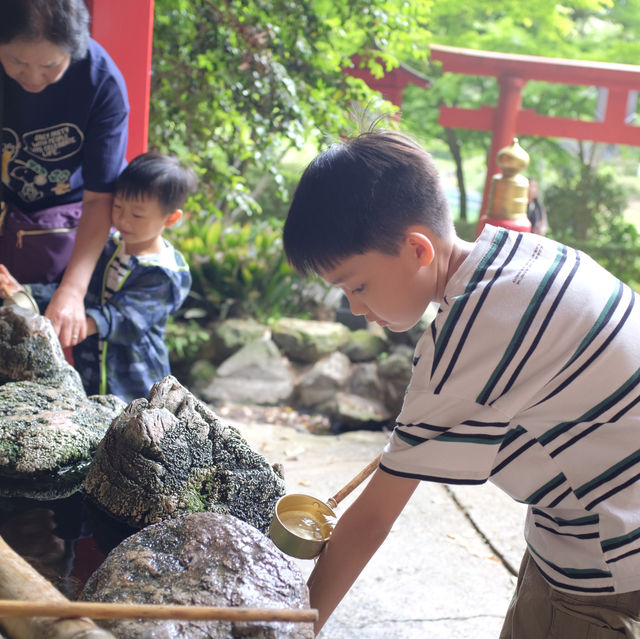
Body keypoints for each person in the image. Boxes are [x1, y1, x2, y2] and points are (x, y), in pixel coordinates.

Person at [282, 128, 640, 638]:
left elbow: (370, 520)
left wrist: (289, 629)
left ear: (417, 249)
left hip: (606, 553)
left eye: (357, 285)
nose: (357, 309)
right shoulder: (521, 255)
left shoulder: (471, 337)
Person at [0, 152, 196, 403]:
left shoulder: (166, 272)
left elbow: (127, 319)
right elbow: (67, 292)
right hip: (90, 374)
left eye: (137, 214)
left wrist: (78, 323)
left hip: (135, 382)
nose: (122, 219)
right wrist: (22, 291)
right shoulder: (108, 247)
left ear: (171, 218)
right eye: (117, 206)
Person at [0, 0, 129, 349]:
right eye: (16, 61)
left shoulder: (101, 83)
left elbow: (101, 196)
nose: (33, 77)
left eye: (50, 65)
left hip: (63, 226)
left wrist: (72, 290)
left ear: (75, 48)